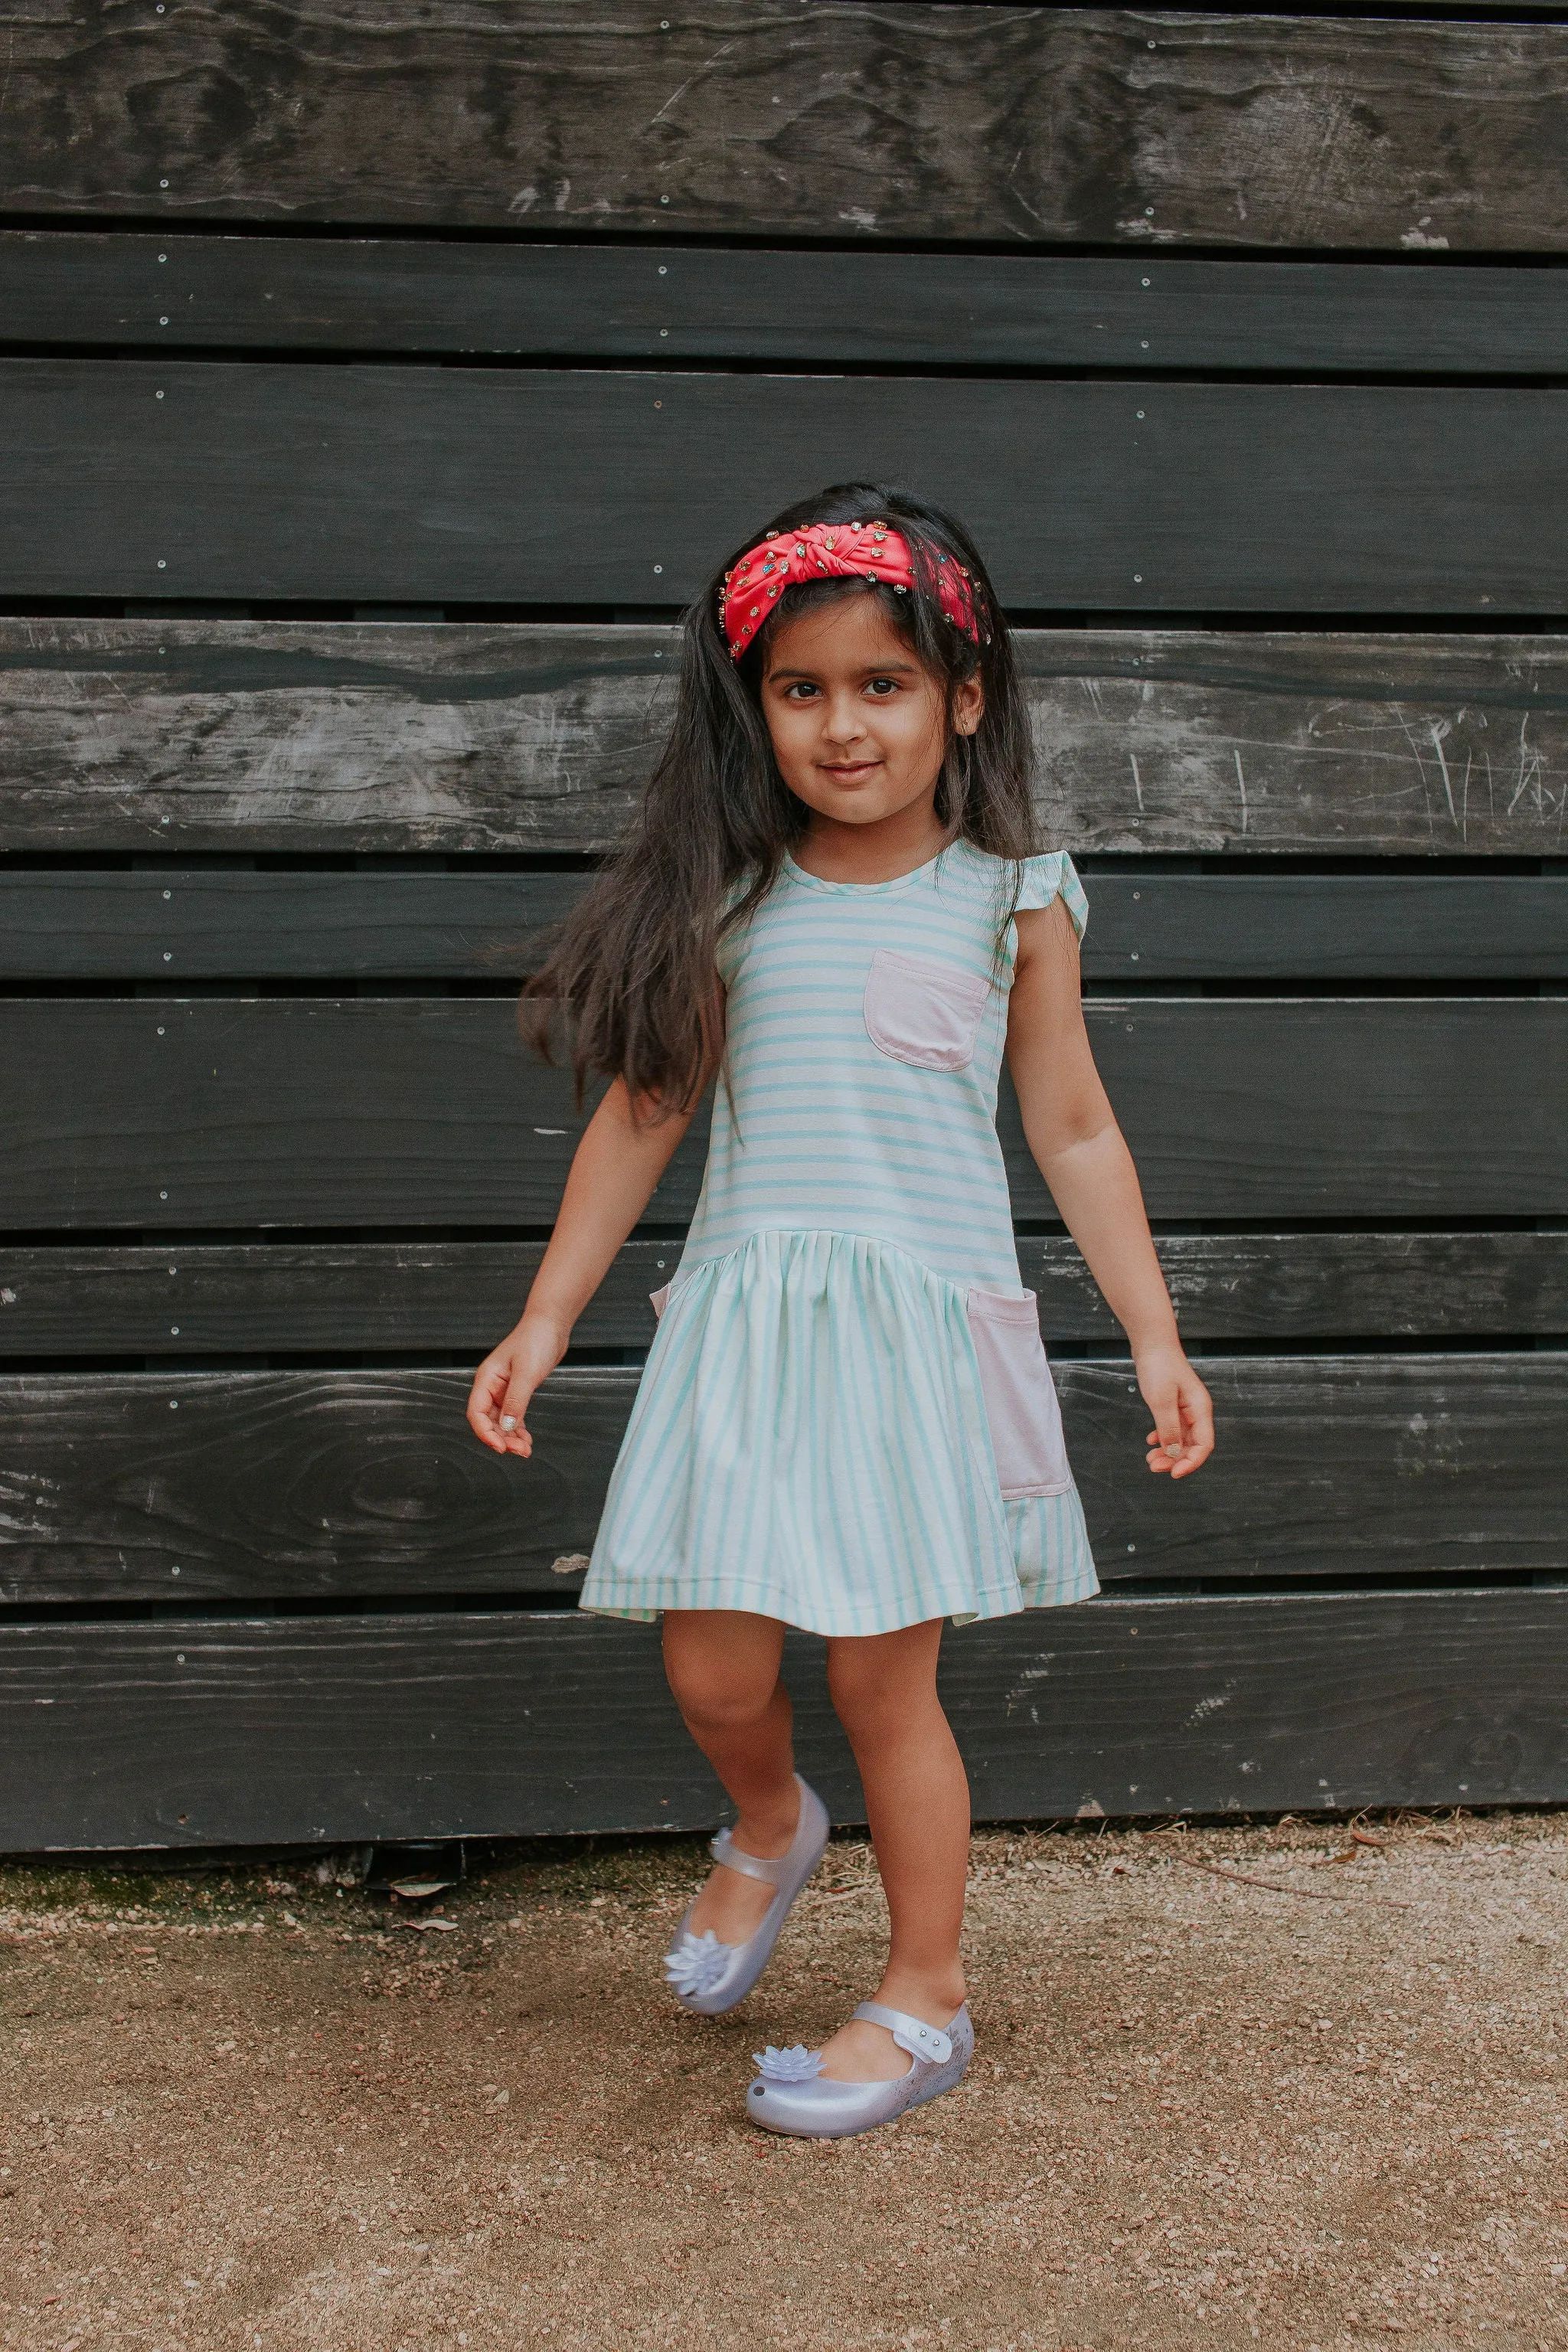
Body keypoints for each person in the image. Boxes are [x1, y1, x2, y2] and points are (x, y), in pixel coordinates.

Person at [467, 484, 1214, 2139]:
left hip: (912, 1347)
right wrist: (543, 1318)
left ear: (961, 697)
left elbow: (1074, 1124)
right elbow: (642, 1118)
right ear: (755, 711)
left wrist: (1153, 1335)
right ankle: (764, 1826)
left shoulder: (1013, 897)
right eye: (800, 690)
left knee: (887, 1683)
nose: (842, 724)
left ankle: (925, 1995)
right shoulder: (726, 908)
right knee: (714, 1668)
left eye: (881, 684)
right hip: (746, 1333)